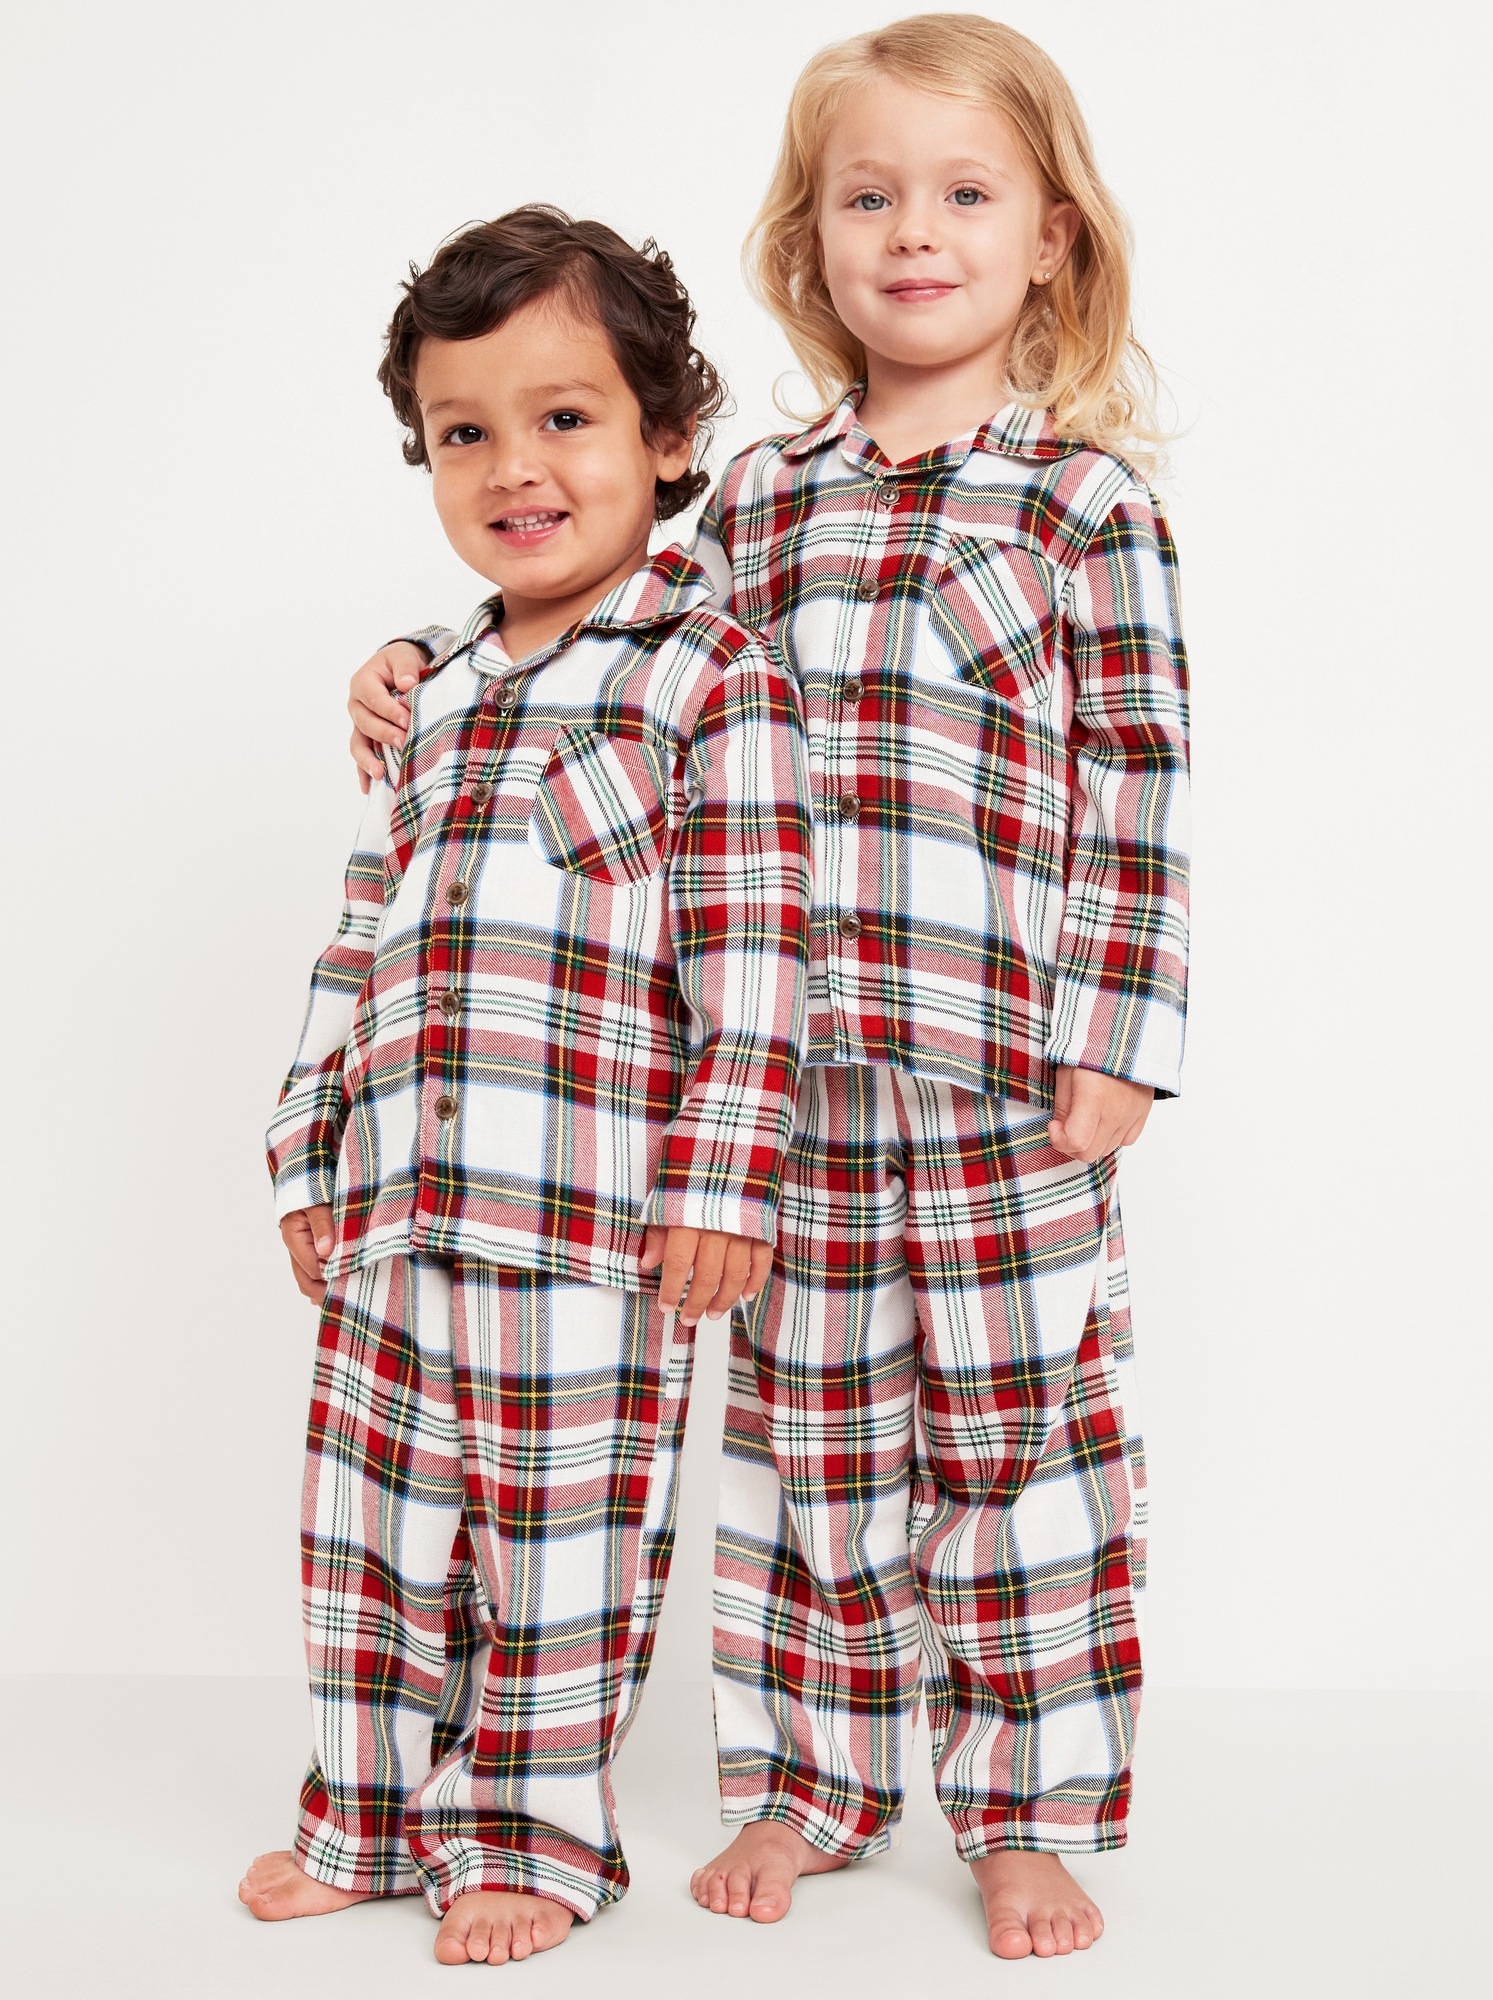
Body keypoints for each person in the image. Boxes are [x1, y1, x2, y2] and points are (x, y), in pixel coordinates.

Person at [347, 12, 1189, 1961]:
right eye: (868, 197)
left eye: (963, 194)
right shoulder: (753, 501)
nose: (916, 232)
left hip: (1001, 1075)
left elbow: (1142, 778)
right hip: (780, 1081)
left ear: (1049, 236)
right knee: (812, 1443)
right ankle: (814, 1780)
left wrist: (1122, 1040)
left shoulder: (1085, 506)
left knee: (1016, 1441)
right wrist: (415, 661)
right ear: (812, 242)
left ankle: (1027, 1807)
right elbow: (598, 630)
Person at [239, 205, 812, 1968]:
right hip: (399, 1211)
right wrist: (307, 1151)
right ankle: (362, 1811)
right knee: (369, 1536)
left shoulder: (710, 674)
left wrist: (725, 1177)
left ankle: (531, 1838)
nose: (515, 467)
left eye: (566, 418)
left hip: (591, 1229)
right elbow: (365, 938)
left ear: (669, 439)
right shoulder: (429, 692)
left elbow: (753, 948)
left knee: (563, 1555)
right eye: (465, 431)